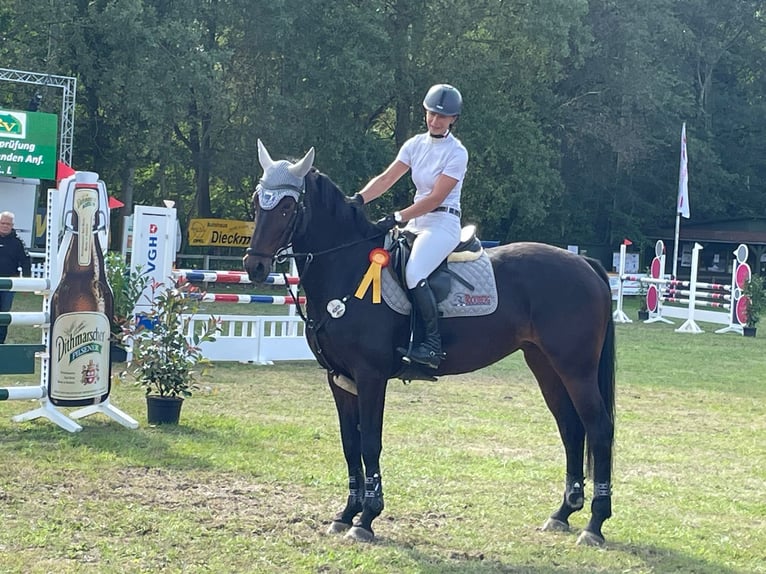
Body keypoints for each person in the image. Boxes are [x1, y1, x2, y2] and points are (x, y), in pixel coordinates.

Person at [353, 84, 468, 369]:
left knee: (415, 271)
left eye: (443, 116)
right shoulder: (414, 144)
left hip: (443, 222)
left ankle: (431, 344)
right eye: (431, 113)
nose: (435, 120)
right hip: (416, 223)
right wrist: (357, 200)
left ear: (453, 119)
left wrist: (397, 216)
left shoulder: (457, 152)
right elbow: (385, 179)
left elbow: (436, 197)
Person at [0, 211, 32, 344]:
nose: (5, 226)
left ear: (12, 225)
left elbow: (26, 261)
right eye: (2, 223)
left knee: (4, 315)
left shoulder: (18, 242)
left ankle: (1, 343)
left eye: (8, 224)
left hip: (8, 284)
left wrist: (26, 283)